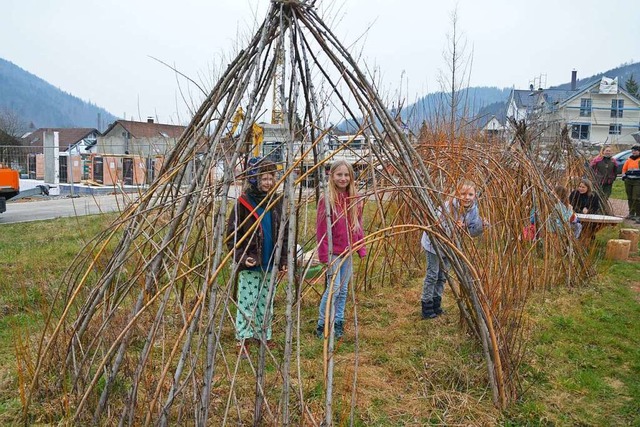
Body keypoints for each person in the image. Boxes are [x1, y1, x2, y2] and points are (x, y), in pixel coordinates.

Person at [226, 157, 288, 356]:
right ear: (254, 179)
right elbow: (231, 237)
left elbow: (283, 234)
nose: (268, 182)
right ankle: (243, 337)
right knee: (247, 301)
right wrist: (242, 257)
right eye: (264, 178)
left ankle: (263, 335)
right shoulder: (243, 203)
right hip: (251, 263)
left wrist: (283, 260)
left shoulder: (276, 202)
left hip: (270, 261)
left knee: (265, 301)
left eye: (271, 178)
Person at [316, 160, 366, 340]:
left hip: (348, 251)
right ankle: (322, 324)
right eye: (339, 174)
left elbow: (358, 226)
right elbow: (321, 229)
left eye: (346, 175)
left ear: (351, 177)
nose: (343, 178)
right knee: (334, 288)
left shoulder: (355, 200)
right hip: (333, 253)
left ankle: (338, 321)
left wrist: (360, 248)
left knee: (343, 289)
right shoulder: (327, 200)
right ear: (332, 176)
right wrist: (324, 255)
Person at [420, 180, 484, 320]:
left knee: (443, 276)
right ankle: (426, 305)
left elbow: (472, 231)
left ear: (475, 195)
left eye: (470, 194)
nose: (466, 197)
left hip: (451, 246)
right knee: (433, 274)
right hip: (434, 244)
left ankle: (436, 303)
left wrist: (480, 226)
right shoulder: (447, 206)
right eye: (463, 193)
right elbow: (436, 225)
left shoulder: (473, 209)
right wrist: (453, 226)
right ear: (456, 193)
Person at [622, 145, 640, 222]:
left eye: (636, 150)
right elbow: (624, 169)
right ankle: (631, 213)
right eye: (633, 151)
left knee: (636, 198)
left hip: (638, 181)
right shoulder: (629, 160)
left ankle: (638, 215)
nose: (634, 152)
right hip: (628, 181)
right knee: (630, 198)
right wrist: (624, 177)